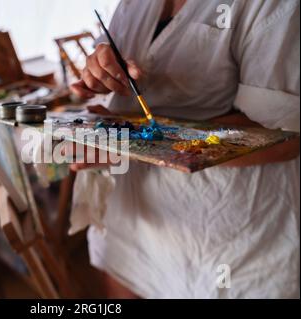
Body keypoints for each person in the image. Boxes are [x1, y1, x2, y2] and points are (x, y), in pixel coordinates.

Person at [70, 0, 300, 298]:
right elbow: (111, 59)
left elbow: (282, 134)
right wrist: (100, 71)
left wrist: (135, 137)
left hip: (228, 240)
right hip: (134, 226)